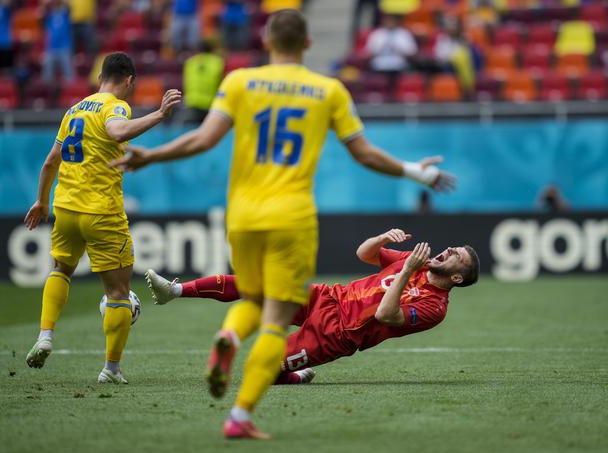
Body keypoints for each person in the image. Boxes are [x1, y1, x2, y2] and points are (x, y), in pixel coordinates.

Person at [110, 9, 455, 439]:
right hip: (292, 217)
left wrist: (152, 155)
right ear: (308, 45)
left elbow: (202, 139)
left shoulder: (239, 82)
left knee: (251, 298)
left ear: (267, 41)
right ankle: (238, 415)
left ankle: (231, 336)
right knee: (272, 318)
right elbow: (365, 154)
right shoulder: (327, 90)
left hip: (243, 214)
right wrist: (416, 172)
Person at [24, 52, 181, 384]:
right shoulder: (116, 105)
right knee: (119, 292)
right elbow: (118, 132)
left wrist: (41, 201)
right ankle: (111, 369)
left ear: (100, 77)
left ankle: (45, 335)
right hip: (102, 212)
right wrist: (159, 114)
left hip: (65, 208)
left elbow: (51, 160)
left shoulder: (74, 110)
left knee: (60, 269)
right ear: (128, 81)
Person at [145, 228, 480, 385]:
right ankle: (174, 290)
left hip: (339, 333)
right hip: (329, 296)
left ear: (458, 279)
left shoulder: (435, 307)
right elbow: (364, 254)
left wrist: (407, 270)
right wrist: (381, 239)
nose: (449, 250)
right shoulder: (415, 261)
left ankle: (293, 375)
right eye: (453, 248)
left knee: (260, 369)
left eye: (457, 257)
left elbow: (385, 315)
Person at [366, 13, 417, 85]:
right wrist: (381, 48)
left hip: (398, 67)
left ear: (396, 21)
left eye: (392, 20)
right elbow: (369, 54)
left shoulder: (404, 34)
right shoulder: (377, 34)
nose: (390, 22)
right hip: (379, 67)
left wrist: (399, 49)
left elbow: (412, 54)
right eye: (388, 20)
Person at [181, 40, 224, 123]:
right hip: (211, 104)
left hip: (193, 103)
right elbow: (221, 82)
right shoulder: (218, 62)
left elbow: (186, 83)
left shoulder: (190, 63)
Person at [42, 0, 75, 83]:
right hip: (51, 48)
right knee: (47, 76)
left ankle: (71, 93)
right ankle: (48, 94)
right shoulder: (49, 15)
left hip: (64, 47)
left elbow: (68, 6)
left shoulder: (65, 13)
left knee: (69, 75)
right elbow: (43, 9)